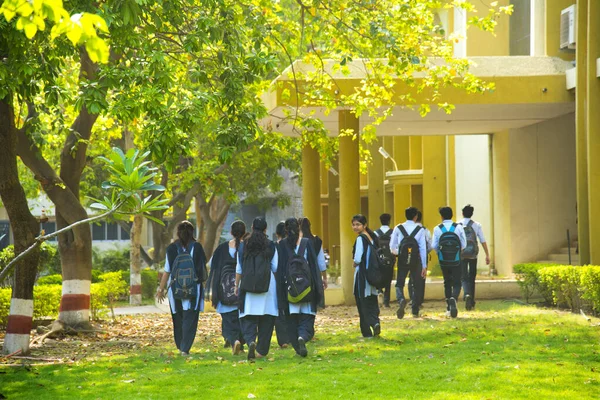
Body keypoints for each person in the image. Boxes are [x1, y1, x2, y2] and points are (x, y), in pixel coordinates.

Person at [277, 218, 327, 357]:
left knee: (292, 319)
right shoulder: (307, 243)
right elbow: (316, 265)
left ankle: (297, 344)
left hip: (290, 289)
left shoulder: (281, 245)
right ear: (299, 228)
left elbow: (278, 267)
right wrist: (322, 280)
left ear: (285, 230)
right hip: (307, 287)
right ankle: (303, 336)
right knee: (307, 317)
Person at [156, 221, 207, 356]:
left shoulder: (172, 248)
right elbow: (202, 270)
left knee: (177, 318)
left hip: (175, 289)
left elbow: (167, 271)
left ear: (178, 233)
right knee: (190, 318)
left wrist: (160, 289)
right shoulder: (197, 247)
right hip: (193, 289)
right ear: (192, 232)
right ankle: (185, 348)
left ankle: (180, 346)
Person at [236, 217, 279, 361]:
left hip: (248, 286)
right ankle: (261, 350)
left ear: (252, 227)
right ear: (266, 229)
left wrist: (236, 286)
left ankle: (250, 341)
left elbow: (239, 268)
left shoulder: (243, 245)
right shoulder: (271, 245)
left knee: (248, 318)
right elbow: (275, 267)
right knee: (267, 319)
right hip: (267, 286)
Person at [206, 221, 246, 355]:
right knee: (242, 320)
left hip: (225, 292)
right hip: (242, 292)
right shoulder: (246, 247)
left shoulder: (222, 248)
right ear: (244, 233)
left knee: (228, 321)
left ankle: (234, 340)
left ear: (231, 232)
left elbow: (211, 265)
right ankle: (241, 341)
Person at [390, 207, 428, 318]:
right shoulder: (420, 230)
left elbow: (392, 247)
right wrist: (424, 266)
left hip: (402, 260)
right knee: (416, 285)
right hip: (416, 260)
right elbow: (423, 248)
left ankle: (401, 299)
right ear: (416, 216)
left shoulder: (398, 228)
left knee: (399, 284)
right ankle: (415, 310)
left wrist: (399, 253)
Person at [431, 206, 466, 318]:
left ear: (441, 216)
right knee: (457, 282)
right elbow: (464, 244)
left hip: (443, 260)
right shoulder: (458, 227)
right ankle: (453, 299)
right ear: (452, 215)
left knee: (447, 282)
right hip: (456, 259)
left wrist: (440, 253)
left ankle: (448, 307)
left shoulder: (437, 228)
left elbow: (434, 246)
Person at [352, 214, 381, 338]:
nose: (355, 227)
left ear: (365, 225)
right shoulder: (372, 237)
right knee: (372, 301)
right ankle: (375, 322)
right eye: (353, 224)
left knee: (362, 303)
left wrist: (354, 262)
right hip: (372, 275)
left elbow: (358, 258)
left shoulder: (360, 239)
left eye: (358, 224)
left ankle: (367, 331)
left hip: (362, 276)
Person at [458, 204, 491, 311]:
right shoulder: (476, 225)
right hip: (473, 254)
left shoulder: (458, 224)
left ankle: (467, 294)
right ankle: (471, 301)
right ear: (472, 214)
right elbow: (482, 240)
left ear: (462, 213)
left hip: (462, 254)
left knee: (463, 276)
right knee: (472, 277)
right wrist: (487, 254)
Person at [274, 220, 291, 349]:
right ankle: (292, 335)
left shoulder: (274, 246)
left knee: (279, 310)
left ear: (276, 233)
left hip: (276, 280)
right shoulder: (291, 246)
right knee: (290, 308)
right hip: (291, 280)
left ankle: (283, 339)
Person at [373, 213, 394, 308]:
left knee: (379, 276)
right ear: (389, 221)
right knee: (388, 279)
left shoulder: (375, 233)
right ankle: (386, 302)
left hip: (379, 259)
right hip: (390, 259)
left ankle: (379, 290)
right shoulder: (393, 232)